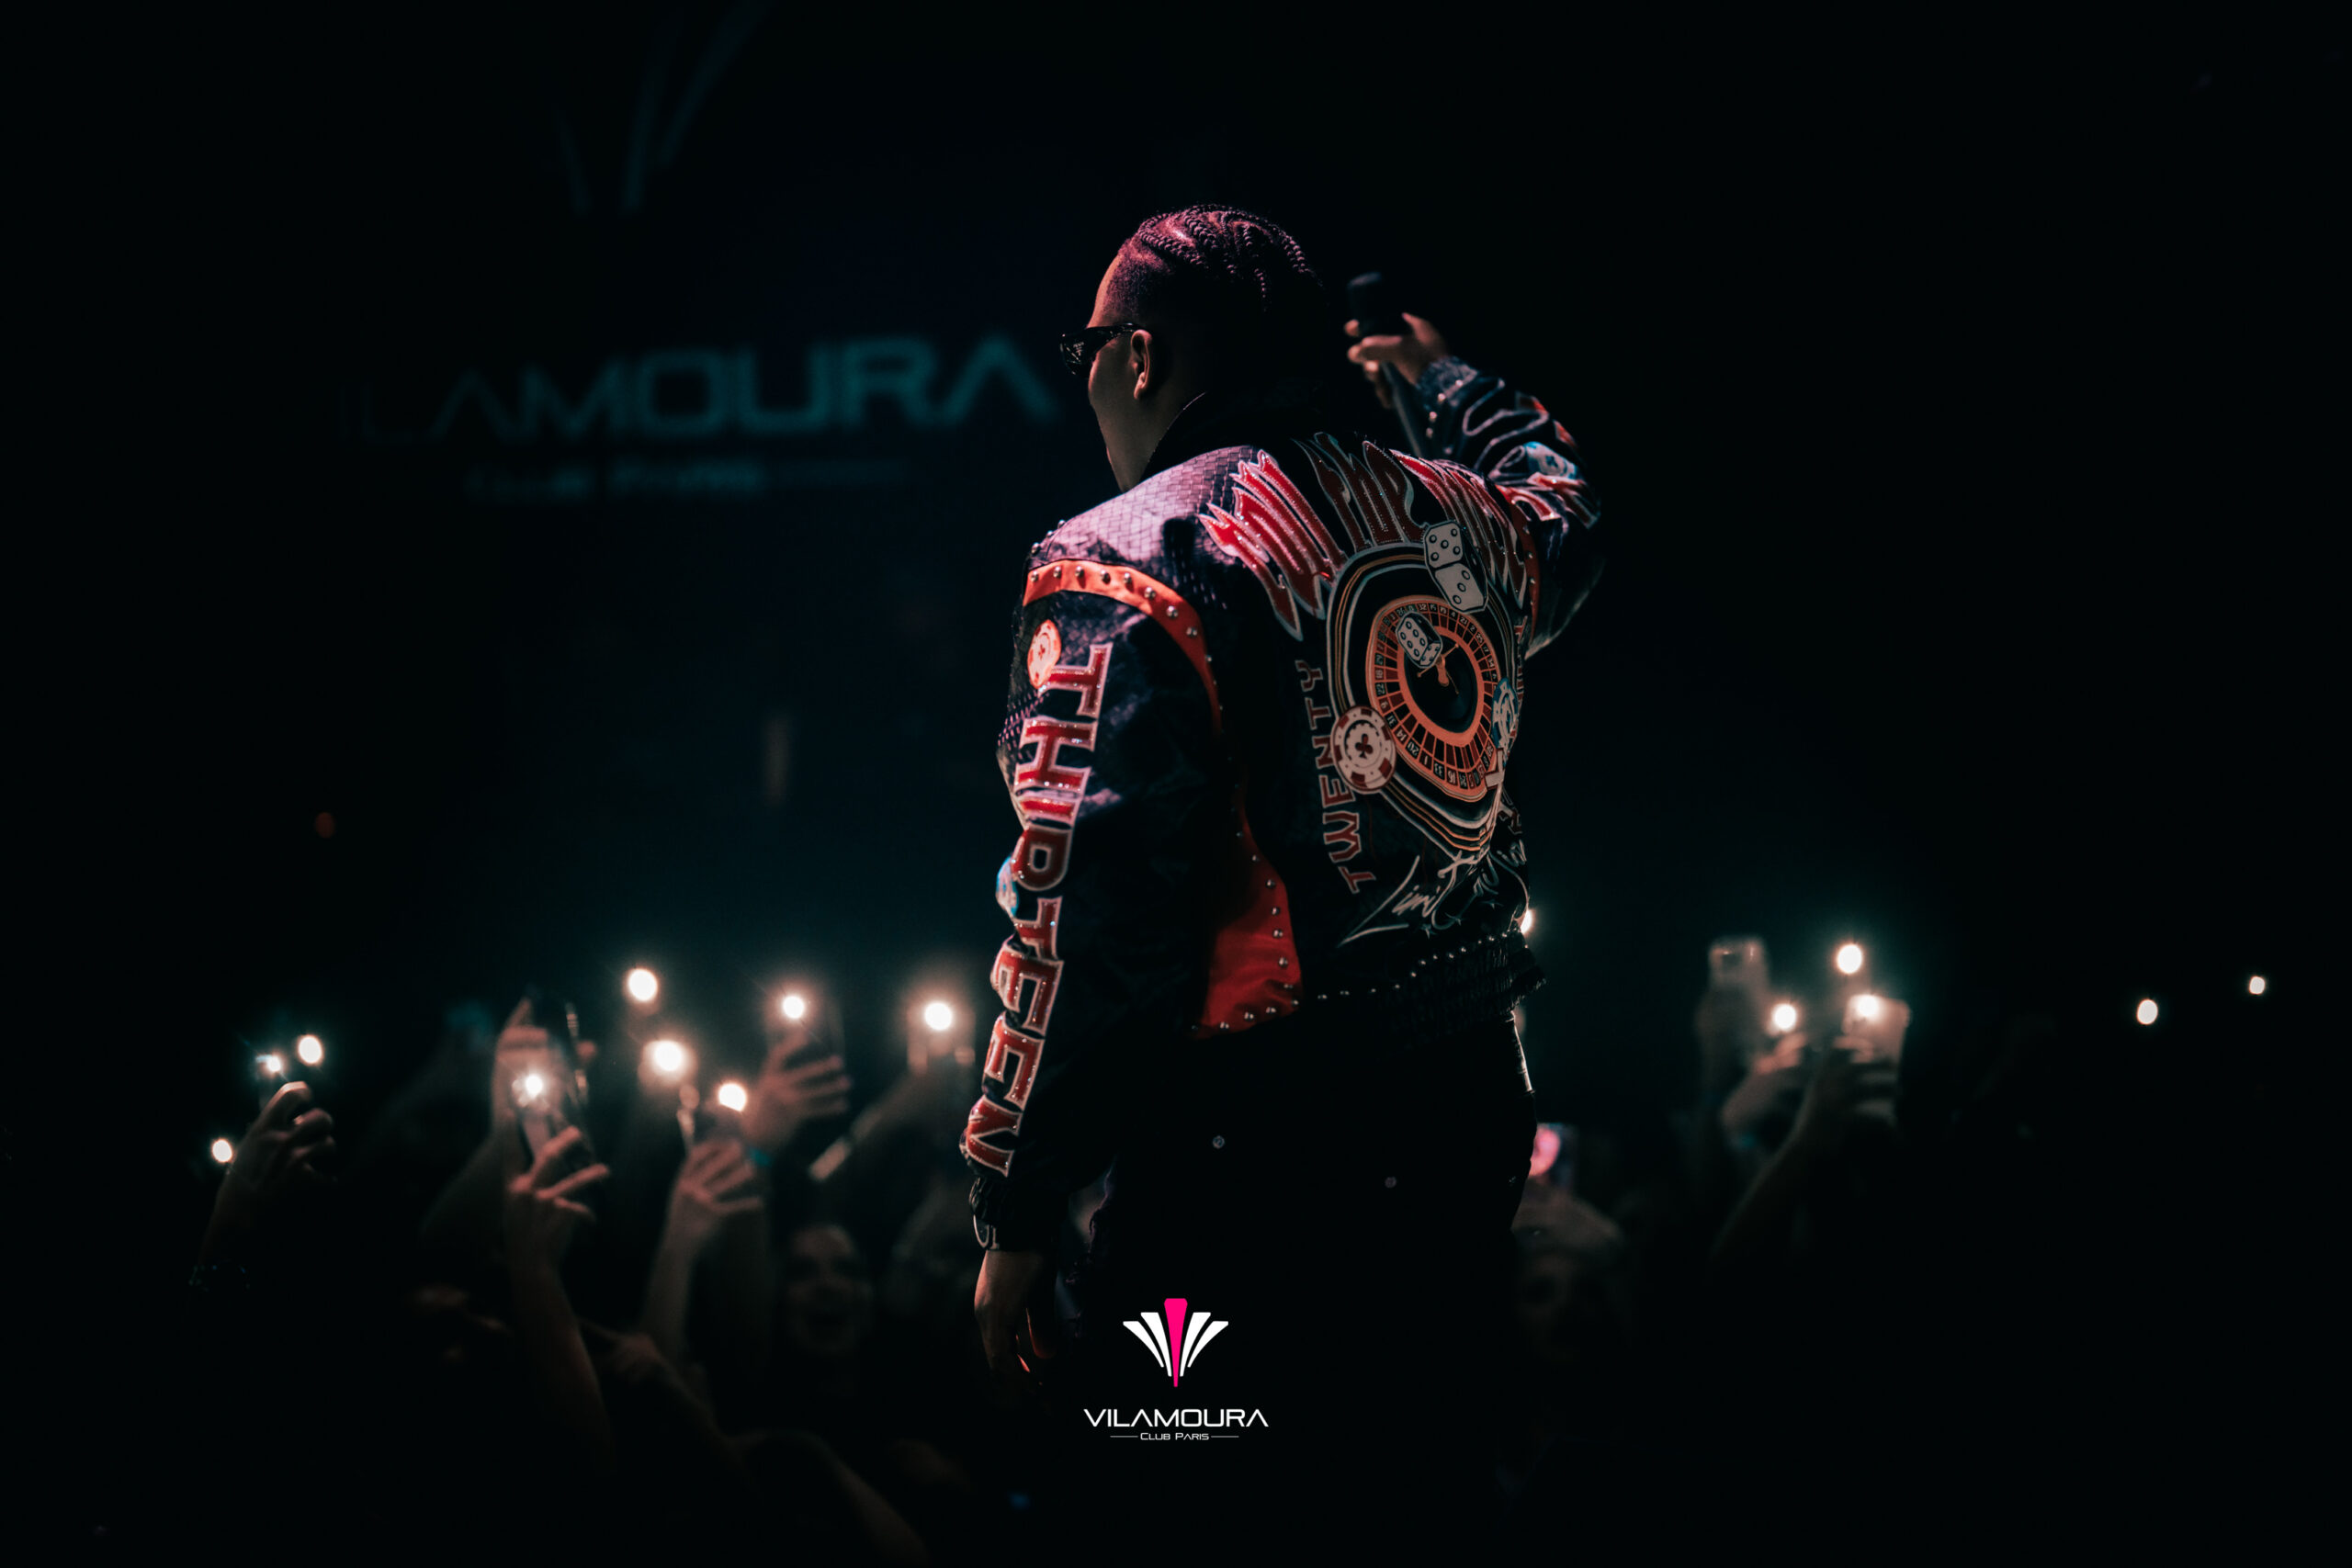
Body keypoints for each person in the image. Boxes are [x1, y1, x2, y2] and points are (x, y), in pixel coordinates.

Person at [957, 206, 1604, 1548]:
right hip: (1465, 1122)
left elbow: (1089, 918)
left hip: (1247, 1161)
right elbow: (1566, 502)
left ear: (1138, 357)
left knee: (1191, 1501)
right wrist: (1439, 380)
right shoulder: (1466, 520)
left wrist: (1018, 1198)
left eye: (1086, 351)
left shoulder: (1129, 558)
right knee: (1412, 1505)